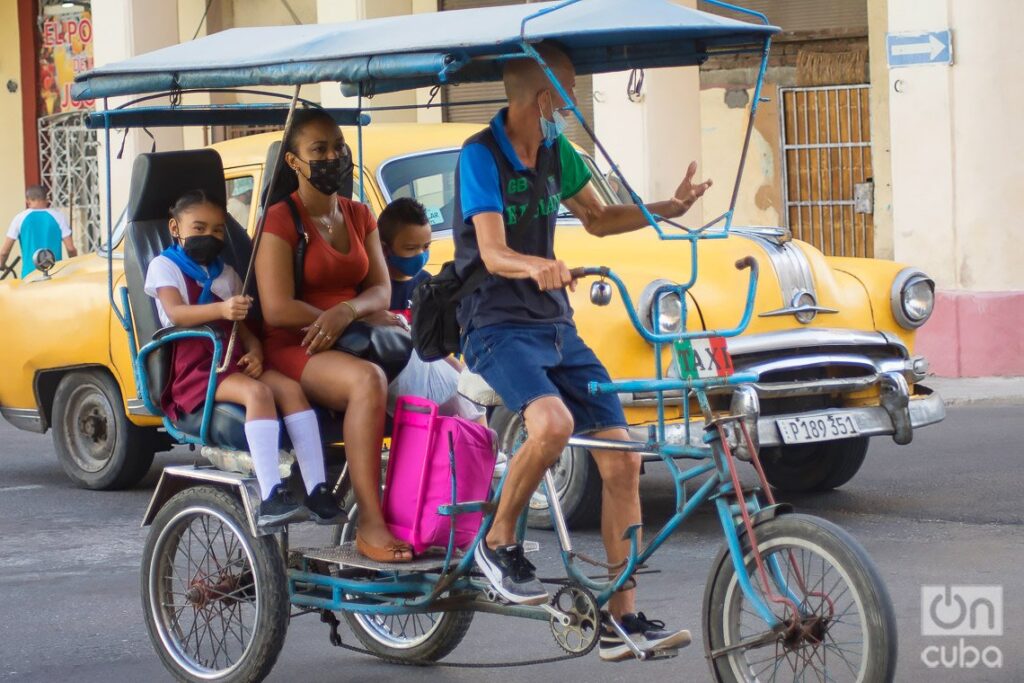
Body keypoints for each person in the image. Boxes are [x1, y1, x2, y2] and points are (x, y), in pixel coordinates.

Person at [453, 43, 712, 661]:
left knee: (622, 460)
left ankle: (621, 618)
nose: (570, 106)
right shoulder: (479, 155)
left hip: (553, 324)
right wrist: (536, 263)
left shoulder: (555, 152)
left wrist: (666, 209)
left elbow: (595, 218)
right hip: (493, 323)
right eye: (565, 93)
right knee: (551, 423)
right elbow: (490, 250)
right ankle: (499, 539)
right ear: (541, 97)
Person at [254, 108, 413, 563]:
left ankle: (426, 506)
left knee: (446, 376)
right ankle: (370, 520)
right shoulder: (281, 220)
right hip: (294, 342)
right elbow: (278, 307)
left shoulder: (359, 213)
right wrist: (342, 317)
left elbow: (381, 289)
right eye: (318, 150)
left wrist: (348, 313)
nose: (332, 157)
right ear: (293, 162)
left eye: (337, 147)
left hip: (351, 333)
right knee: (368, 382)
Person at [145, 190, 344, 528]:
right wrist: (222, 308)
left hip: (234, 360)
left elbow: (244, 327)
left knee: (292, 390)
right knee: (259, 394)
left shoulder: (228, 274)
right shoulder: (164, 266)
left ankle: (317, 489)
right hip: (199, 369)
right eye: (199, 228)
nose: (209, 237)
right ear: (175, 228)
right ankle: (270, 495)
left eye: (218, 230)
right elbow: (176, 312)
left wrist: (255, 350)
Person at [378, 197, 485, 422]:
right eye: (410, 248)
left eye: (426, 247)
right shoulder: (376, 288)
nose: (420, 255)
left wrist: (459, 368)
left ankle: (480, 451)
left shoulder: (426, 286)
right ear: (385, 248)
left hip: (428, 372)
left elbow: (433, 347)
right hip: (393, 376)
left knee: (469, 394)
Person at [1, 185, 78, 278]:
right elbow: (71, 249)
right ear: (47, 199)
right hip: (55, 275)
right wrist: (75, 265)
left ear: (27, 201)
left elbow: (4, 252)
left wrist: (2, 264)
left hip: (29, 276)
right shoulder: (59, 217)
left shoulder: (19, 218)